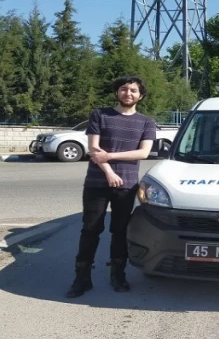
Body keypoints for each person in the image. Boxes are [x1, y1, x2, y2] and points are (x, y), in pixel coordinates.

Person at [66, 75, 157, 298]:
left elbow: (143, 153)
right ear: (117, 92)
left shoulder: (146, 122)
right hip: (97, 182)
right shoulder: (100, 114)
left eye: (133, 90)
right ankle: (82, 277)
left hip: (126, 185)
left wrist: (112, 156)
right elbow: (94, 150)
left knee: (120, 230)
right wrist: (109, 170)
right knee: (90, 229)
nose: (128, 93)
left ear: (140, 96)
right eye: (124, 89)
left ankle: (118, 275)